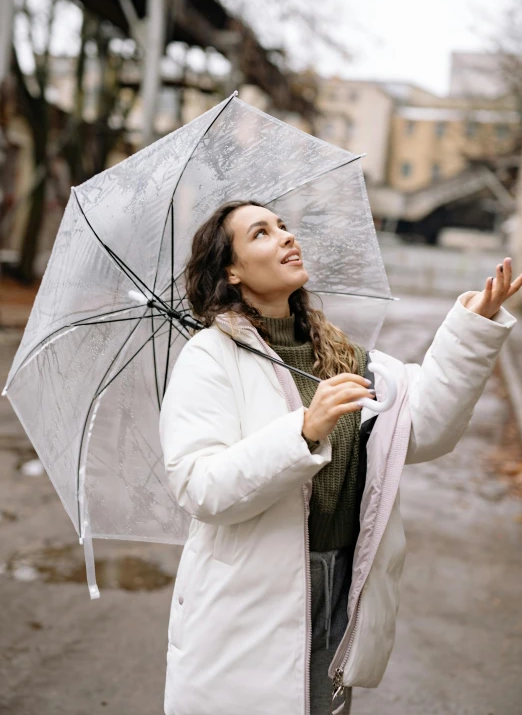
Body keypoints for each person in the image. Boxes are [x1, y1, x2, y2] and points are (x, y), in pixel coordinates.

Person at [159, 199, 520, 715]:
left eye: (283, 226)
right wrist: (303, 431)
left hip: (340, 585)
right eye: (261, 233)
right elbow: (200, 487)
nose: (286, 237)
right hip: (251, 597)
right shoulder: (209, 359)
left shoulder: (341, 356)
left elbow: (425, 428)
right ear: (232, 271)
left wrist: (471, 329)